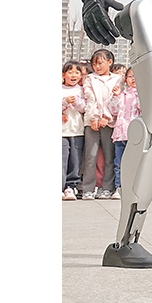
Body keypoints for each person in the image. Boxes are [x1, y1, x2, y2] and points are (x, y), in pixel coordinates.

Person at [81, 49, 122, 200]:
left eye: (100, 63)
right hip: (92, 122)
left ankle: (107, 187)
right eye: (94, 64)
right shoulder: (90, 79)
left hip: (110, 123)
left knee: (109, 155)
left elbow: (116, 100)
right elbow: (89, 99)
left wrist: (107, 116)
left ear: (110, 62)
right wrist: (93, 118)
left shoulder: (117, 79)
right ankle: (88, 188)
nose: (97, 67)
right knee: (90, 156)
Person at [112, 66, 140, 196]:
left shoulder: (143, 94)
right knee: (119, 162)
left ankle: (134, 187)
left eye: (136, 76)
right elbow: (113, 110)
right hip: (121, 133)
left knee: (136, 162)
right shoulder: (122, 94)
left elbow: (143, 109)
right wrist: (116, 96)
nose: (133, 79)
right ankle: (120, 186)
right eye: (130, 76)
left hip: (136, 134)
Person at [62, 61, 86, 200]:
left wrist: (76, 102)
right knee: (62, 160)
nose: (73, 75)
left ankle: (71, 187)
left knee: (75, 161)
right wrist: (64, 101)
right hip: (62, 132)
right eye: (70, 72)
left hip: (77, 130)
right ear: (63, 75)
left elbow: (84, 108)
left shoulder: (81, 90)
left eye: (77, 72)